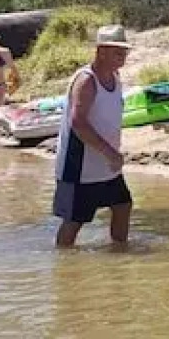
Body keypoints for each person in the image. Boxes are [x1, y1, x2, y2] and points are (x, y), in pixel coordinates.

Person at [53, 26, 135, 248]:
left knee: (122, 205)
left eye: (124, 51)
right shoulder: (86, 80)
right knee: (74, 221)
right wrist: (109, 152)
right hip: (79, 165)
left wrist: (111, 154)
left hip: (106, 164)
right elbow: (78, 123)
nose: (123, 56)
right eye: (117, 51)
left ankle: (119, 250)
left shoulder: (115, 77)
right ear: (101, 51)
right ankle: (65, 266)